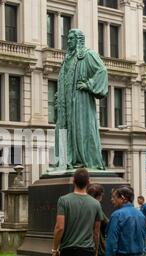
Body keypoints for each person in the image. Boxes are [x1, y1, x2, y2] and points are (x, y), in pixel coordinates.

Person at [52, 29, 108, 170]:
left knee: (81, 130)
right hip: (65, 104)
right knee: (62, 129)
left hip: (80, 103)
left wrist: (89, 85)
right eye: (68, 38)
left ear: (78, 40)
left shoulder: (88, 55)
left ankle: (85, 160)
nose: (68, 41)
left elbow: (102, 71)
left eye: (71, 39)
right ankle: (64, 161)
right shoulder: (66, 60)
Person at [52, 168, 103, 256]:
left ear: (73, 181)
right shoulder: (96, 204)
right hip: (87, 251)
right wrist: (96, 254)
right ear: (89, 182)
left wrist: (55, 249)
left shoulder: (63, 200)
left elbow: (59, 227)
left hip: (67, 250)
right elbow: (96, 232)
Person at [104, 186, 146, 256]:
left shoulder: (116, 215)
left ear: (123, 198)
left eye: (114, 197)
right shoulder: (141, 215)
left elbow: (112, 242)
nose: (112, 200)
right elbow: (144, 237)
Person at [86, 183, 111, 256]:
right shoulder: (96, 206)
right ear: (99, 196)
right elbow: (106, 224)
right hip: (97, 248)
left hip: (81, 247)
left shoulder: (81, 203)